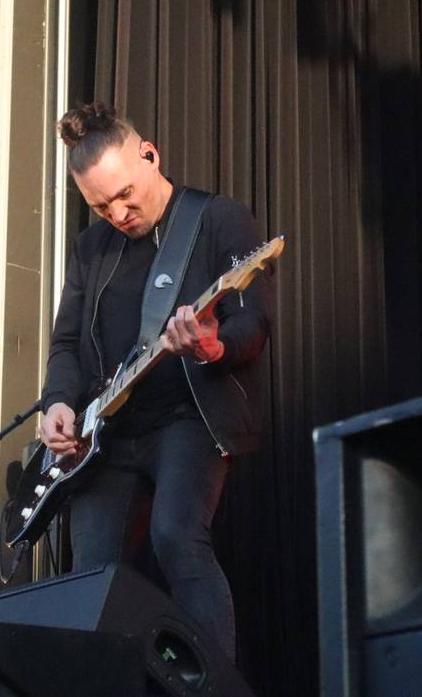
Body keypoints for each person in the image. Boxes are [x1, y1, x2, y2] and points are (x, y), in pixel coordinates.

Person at [39, 101, 273, 661]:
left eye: (124, 195)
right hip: (110, 432)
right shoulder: (90, 249)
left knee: (176, 537)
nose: (118, 213)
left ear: (150, 155)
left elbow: (253, 323)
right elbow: (66, 343)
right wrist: (57, 404)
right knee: (90, 572)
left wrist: (214, 346)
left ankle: (213, 686)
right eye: (100, 206)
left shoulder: (218, 220)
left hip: (189, 417)